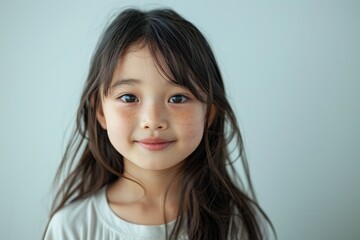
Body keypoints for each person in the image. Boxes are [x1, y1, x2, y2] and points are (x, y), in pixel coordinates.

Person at [43, 8, 275, 240]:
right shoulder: (72, 228)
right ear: (100, 111)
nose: (153, 120)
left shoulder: (235, 225)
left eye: (177, 98)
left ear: (209, 114)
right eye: (129, 98)